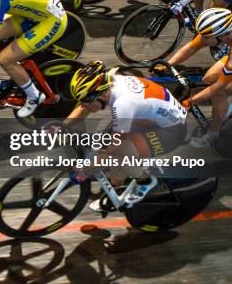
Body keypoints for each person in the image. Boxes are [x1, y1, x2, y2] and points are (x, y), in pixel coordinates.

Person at [67, 60, 188, 211]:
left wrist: (83, 173)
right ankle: (117, 187)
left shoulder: (123, 104)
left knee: (119, 154)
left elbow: (112, 152)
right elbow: (84, 106)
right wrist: (64, 126)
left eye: (86, 101)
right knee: (109, 148)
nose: (83, 106)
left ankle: (145, 181)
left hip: (172, 131)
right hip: (150, 119)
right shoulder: (110, 80)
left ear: (103, 95)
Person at [156, 8, 232, 148]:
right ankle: (221, 110)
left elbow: (219, 86)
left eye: (205, 37)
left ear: (220, 35)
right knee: (208, 80)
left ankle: (213, 133)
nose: (202, 39)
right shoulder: (222, 25)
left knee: (219, 91)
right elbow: (192, 47)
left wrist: (190, 102)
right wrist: (166, 65)